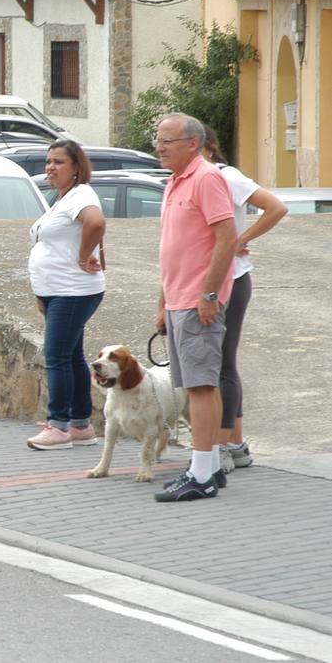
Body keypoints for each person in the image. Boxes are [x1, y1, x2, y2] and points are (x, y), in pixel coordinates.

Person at [152, 112, 238, 502]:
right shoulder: (175, 182)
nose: (159, 147)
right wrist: (163, 302)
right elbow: (173, 249)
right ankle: (212, 465)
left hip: (197, 300)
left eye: (167, 140)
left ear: (193, 143)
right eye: (158, 140)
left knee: (201, 386)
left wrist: (208, 295)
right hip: (179, 299)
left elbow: (226, 238)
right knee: (200, 384)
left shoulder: (206, 177)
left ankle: (201, 474)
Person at [201, 125, 287, 473]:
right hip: (207, 278)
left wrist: (241, 238)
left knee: (222, 363)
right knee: (219, 362)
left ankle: (222, 445)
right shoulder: (192, 180)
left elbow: (276, 207)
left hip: (231, 280)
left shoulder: (226, 176)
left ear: (206, 148)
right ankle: (235, 443)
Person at [24, 139, 107, 450]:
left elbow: (96, 223)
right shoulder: (62, 199)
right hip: (56, 291)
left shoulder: (81, 195)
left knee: (55, 356)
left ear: (76, 168)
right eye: (48, 162)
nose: (50, 167)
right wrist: (41, 292)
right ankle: (81, 425)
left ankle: (58, 427)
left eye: (58, 162)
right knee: (71, 356)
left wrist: (85, 256)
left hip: (73, 291)